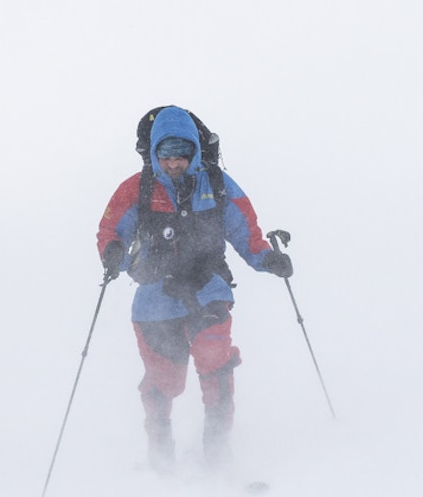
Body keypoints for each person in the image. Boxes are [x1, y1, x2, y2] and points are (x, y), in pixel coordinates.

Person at [97, 105, 293, 475]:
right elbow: (111, 234)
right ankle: (161, 455)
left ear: (195, 152)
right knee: (165, 381)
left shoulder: (218, 184)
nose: (174, 163)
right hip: (155, 300)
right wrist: (112, 255)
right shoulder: (136, 189)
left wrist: (268, 260)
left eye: (182, 154)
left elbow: (246, 234)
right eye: (166, 155)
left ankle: (217, 455)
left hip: (208, 291)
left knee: (215, 361)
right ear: (154, 154)